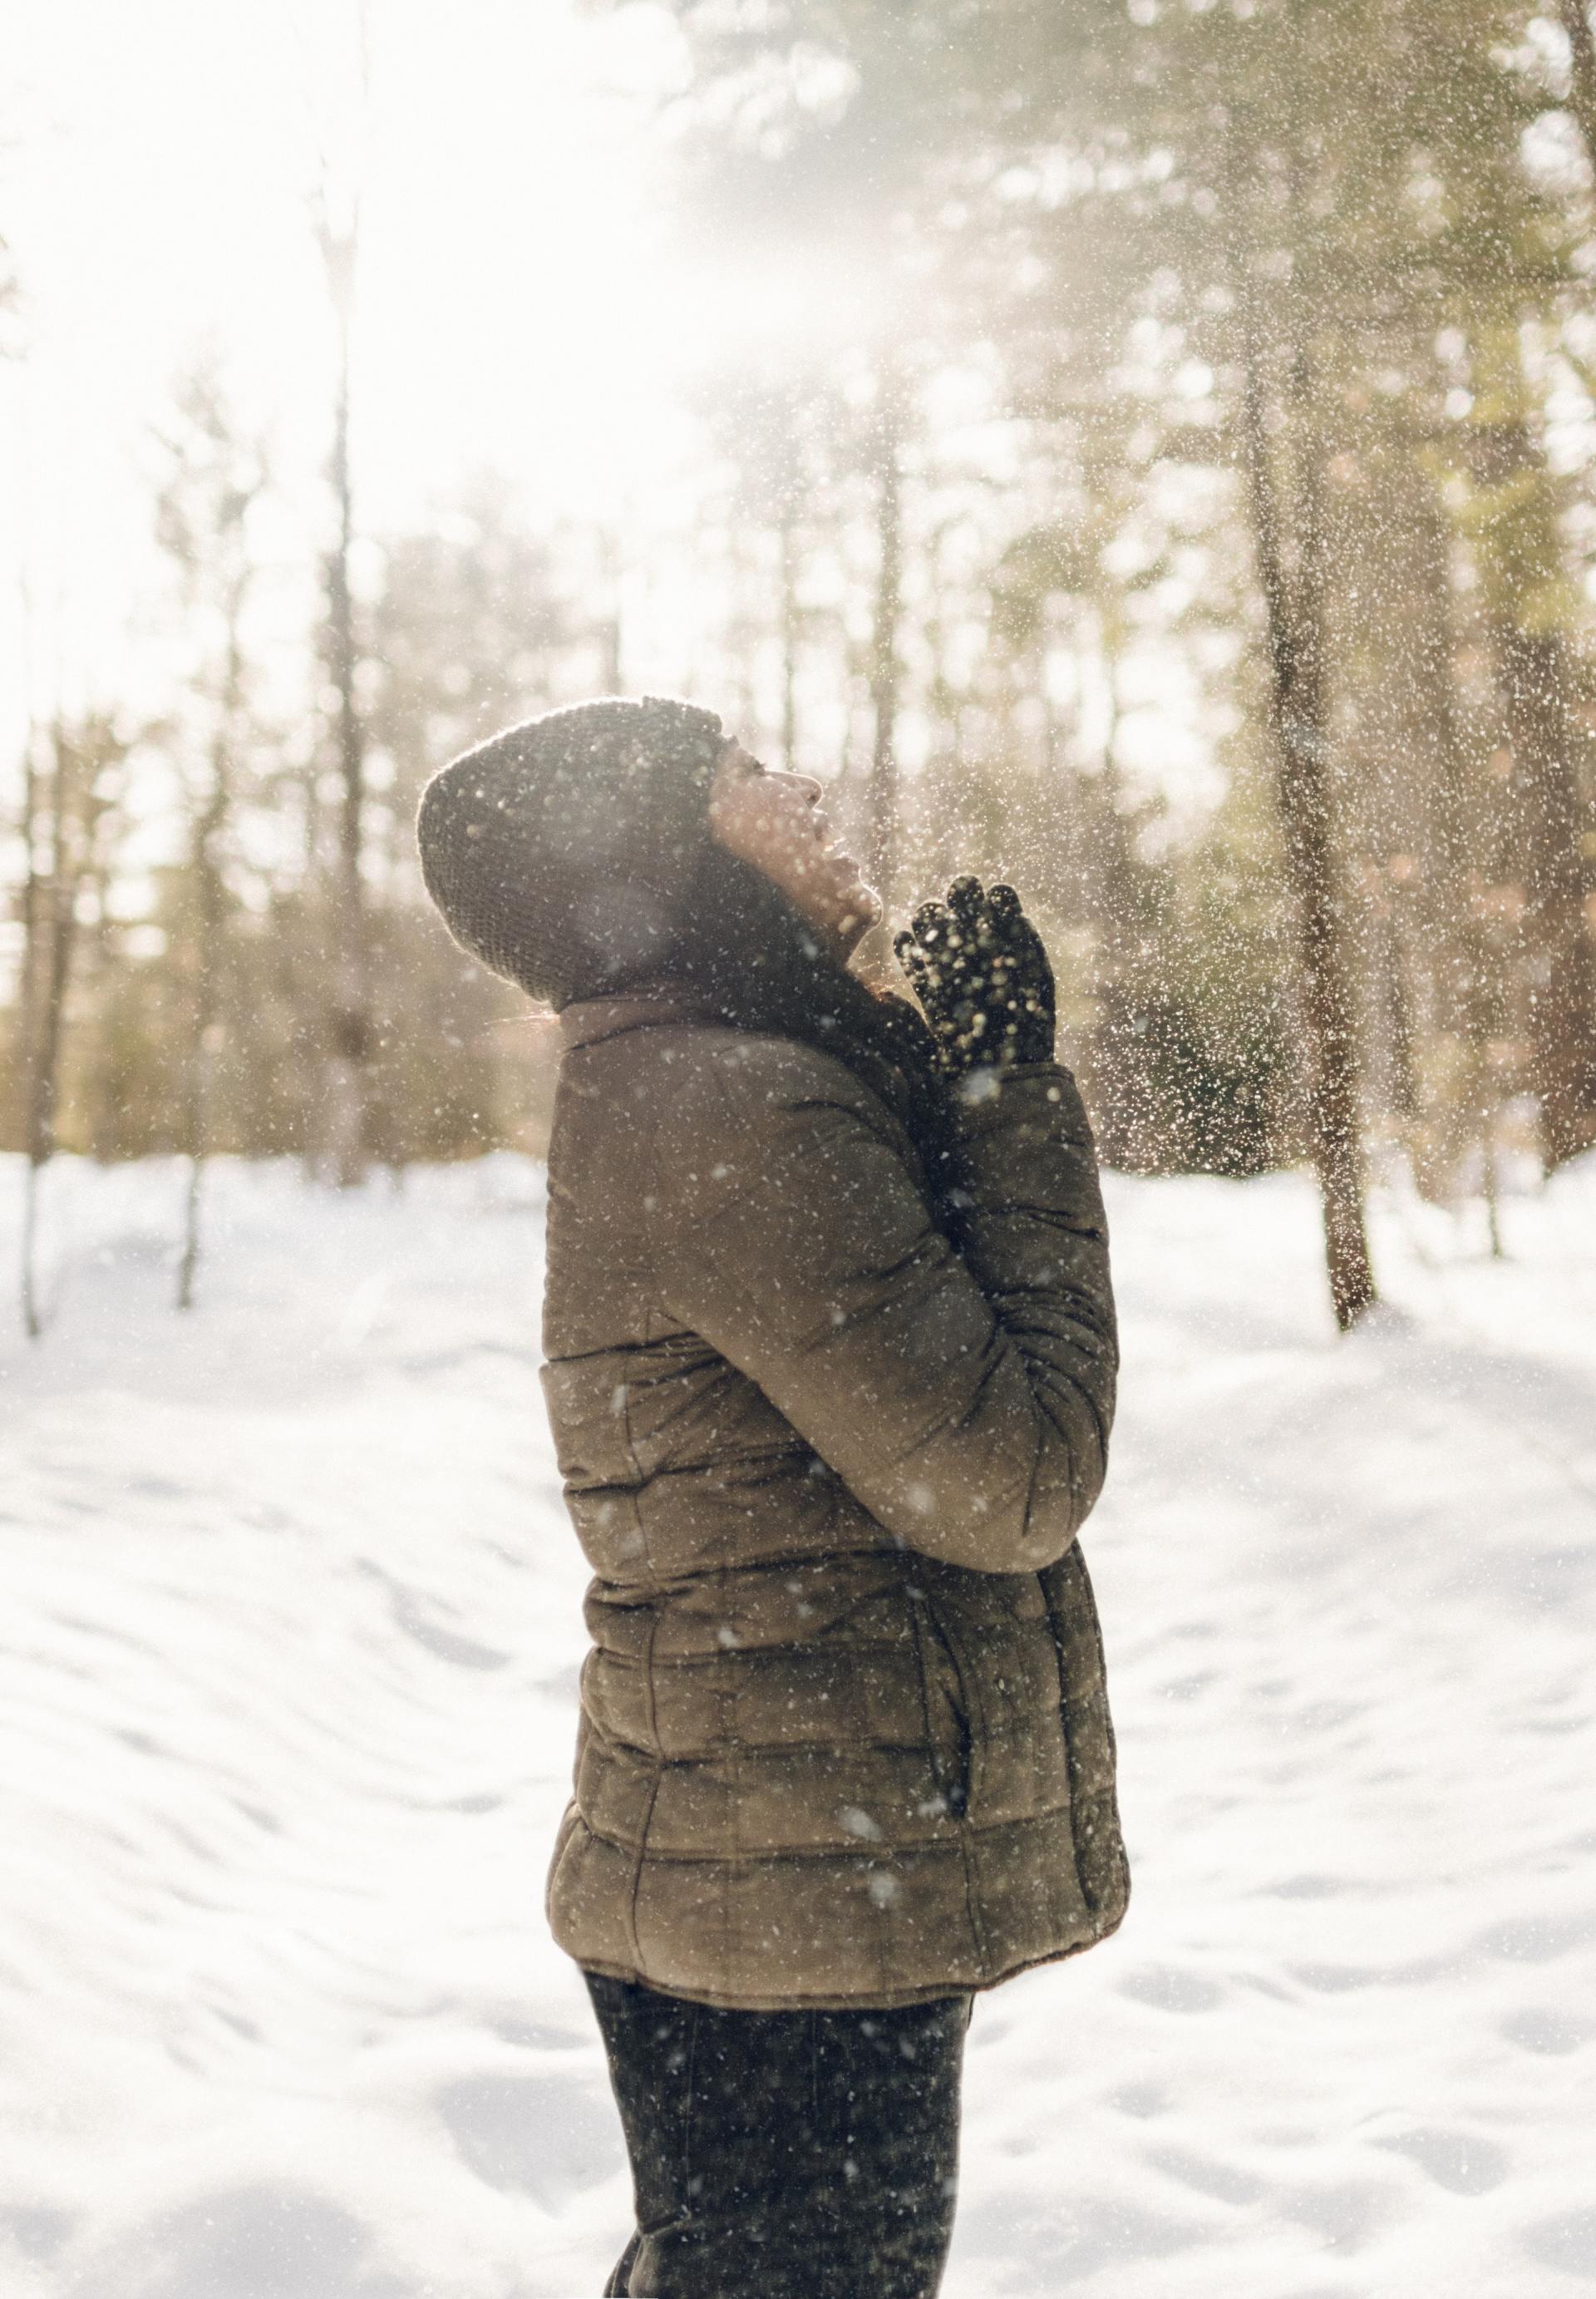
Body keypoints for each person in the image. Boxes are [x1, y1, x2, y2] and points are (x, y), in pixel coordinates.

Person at [415, 694, 1127, 2299]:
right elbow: (1015, 1473)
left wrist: (956, 1076)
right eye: (741, 775)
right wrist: (1012, 1094)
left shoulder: (710, 1078)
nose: (801, 785)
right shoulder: (731, 1104)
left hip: (778, 1870)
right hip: (793, 1896)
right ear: (667, 860)